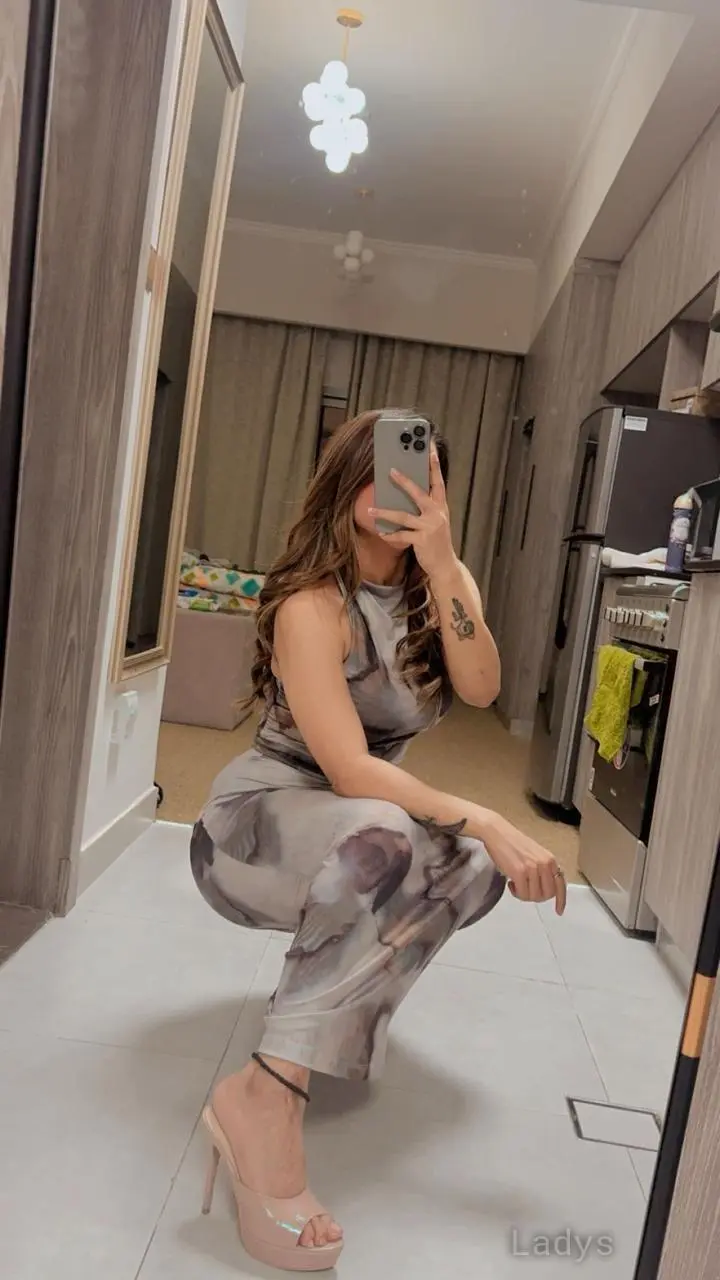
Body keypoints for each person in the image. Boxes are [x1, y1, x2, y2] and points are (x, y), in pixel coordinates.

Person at [191, 409, 567, 1271]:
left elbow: (482, 687)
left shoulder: (440, 585)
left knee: (467, 865)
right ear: (345, 483)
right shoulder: (311, 603)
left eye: (418, 475)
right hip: (251, 830)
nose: (398, 489)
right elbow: (350, 770)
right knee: (406, 833)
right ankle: (269, 1100)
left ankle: (275, 1069)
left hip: (362, 830)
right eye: (381, 472)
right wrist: (489, 814)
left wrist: (444, 564)